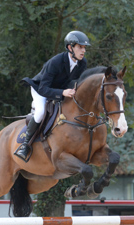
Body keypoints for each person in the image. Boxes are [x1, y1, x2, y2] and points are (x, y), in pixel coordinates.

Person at [15, 30, 91, 160]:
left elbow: (74, 81)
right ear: (70, 47)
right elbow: (44, 88)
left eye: (84, 47)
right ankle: (25, 145)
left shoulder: (82, 63)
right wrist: (62, 92)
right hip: (40, 89)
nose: (83, 50)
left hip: (60, 90)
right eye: (80, 47)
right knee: (40, 112)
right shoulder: (55, 62)